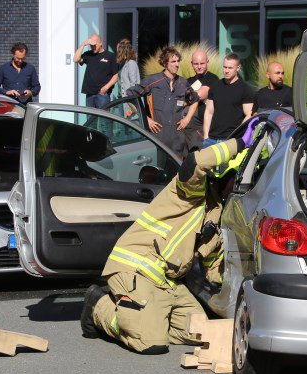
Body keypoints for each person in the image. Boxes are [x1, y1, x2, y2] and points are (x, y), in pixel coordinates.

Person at [80, 125, 259, 354]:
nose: (240, 186)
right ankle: (99, 306)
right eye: (237, 180)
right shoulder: (188, 192)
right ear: (223, 175)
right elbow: (196, 162)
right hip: (136, 270)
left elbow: (213, 265)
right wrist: (240, 144)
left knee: (198, 334)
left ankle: (145, 317)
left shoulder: (217, 213)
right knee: (150, 342)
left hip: (169, 283)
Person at [125, 46, 191, 158]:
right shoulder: (153, 81)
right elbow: (130, 95)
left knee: (177, 174)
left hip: (177, 142)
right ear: (165, 63)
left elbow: (194, 100)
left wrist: (188, 118)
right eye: (173, 61)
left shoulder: (182, 83)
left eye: (178, 61)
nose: (177, 64)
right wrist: (146, 119)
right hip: (158, 140)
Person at [203, 53, 255, 145]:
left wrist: (236, 135)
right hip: (211, 139)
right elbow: (209, 112)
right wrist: (206, 136)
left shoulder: (245, 89)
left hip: (231, 140)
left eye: (230, 68)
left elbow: (249, 114)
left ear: (237, 68)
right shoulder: (215, 86)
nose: (226, 71)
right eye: (225, 67)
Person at [183, 50, 219, 151]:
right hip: (188, 131)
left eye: (202, 63)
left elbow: (200, 94)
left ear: (207, 62)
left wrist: (186, 100)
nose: (199, 66)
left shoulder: (212, 78)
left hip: (203, 128)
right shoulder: (188, 80)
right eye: (196, 64)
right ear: (191, 64)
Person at [73, 34, 119, 109]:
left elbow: (115, 76)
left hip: (102, 95)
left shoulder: (110, 56)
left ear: (101, 43)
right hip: (89, 95)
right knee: (90, 120)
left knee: (104, 120)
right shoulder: (88, 54)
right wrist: (83, 44)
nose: (93, 47)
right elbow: (75, 59)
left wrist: (106, 88)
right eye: (91, 45)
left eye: (94, 45)